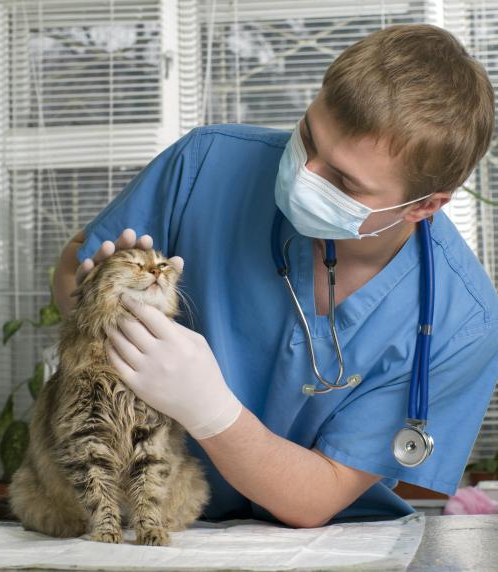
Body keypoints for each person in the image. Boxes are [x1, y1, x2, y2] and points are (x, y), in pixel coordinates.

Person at [53, 24, 498, 527]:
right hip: (153, 510)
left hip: (322, 547)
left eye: (343, 180)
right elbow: (72, 270)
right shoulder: (207, 162)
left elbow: (318, 494)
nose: (304, 173)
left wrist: (212, 413)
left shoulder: (462, 321)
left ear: (425, 206)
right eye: (307, 137)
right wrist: (97, 304)